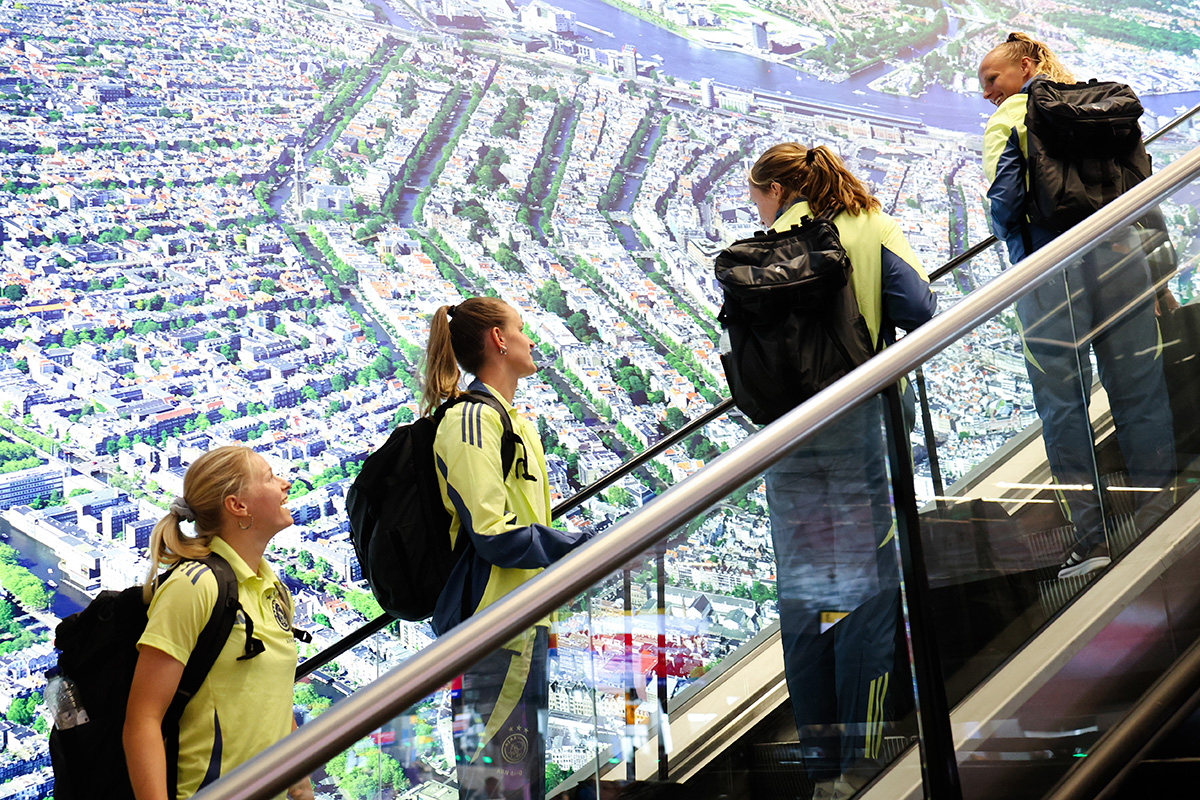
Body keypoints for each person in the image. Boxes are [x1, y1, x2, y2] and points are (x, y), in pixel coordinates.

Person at [745, 142, 936, 798]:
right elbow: (920, 306)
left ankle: (819, 762)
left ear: (777, 192)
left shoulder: (760, 250)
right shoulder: (868, 224)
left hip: (786, 439)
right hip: (857, 423)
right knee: (865, 593)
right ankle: (861, 759)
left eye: (756, 195)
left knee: (805, 597)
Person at [978, 32, 1176, 579]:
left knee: (1063, 405)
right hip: (1123, 259)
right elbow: (1144, 194)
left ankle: (1090, 541)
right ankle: (1161, 514)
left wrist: (1021, 265)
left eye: (991, 78)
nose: (986, 92)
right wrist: (1160, 275)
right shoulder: (1102, 107)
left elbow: (1005, 205)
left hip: (1052, 272)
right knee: (1140, 389)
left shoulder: (1012, 118)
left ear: (1025, 66)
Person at [422, 297, 593, 800]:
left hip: (522, 623)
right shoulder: (472, 422)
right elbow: (493, 532)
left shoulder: (508, 420)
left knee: (519, 780)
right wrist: (578, 547)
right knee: (497, 784)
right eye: (521, 328)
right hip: (494, 631)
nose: (530, 338)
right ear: (499, 340)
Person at [123, 445, 312, 800]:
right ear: (238, 505)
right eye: (270, 477)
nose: (285, 484)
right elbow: (142, 721)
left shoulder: (272, 587)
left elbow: (273, 698)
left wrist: (301, 787)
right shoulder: (193, 587)